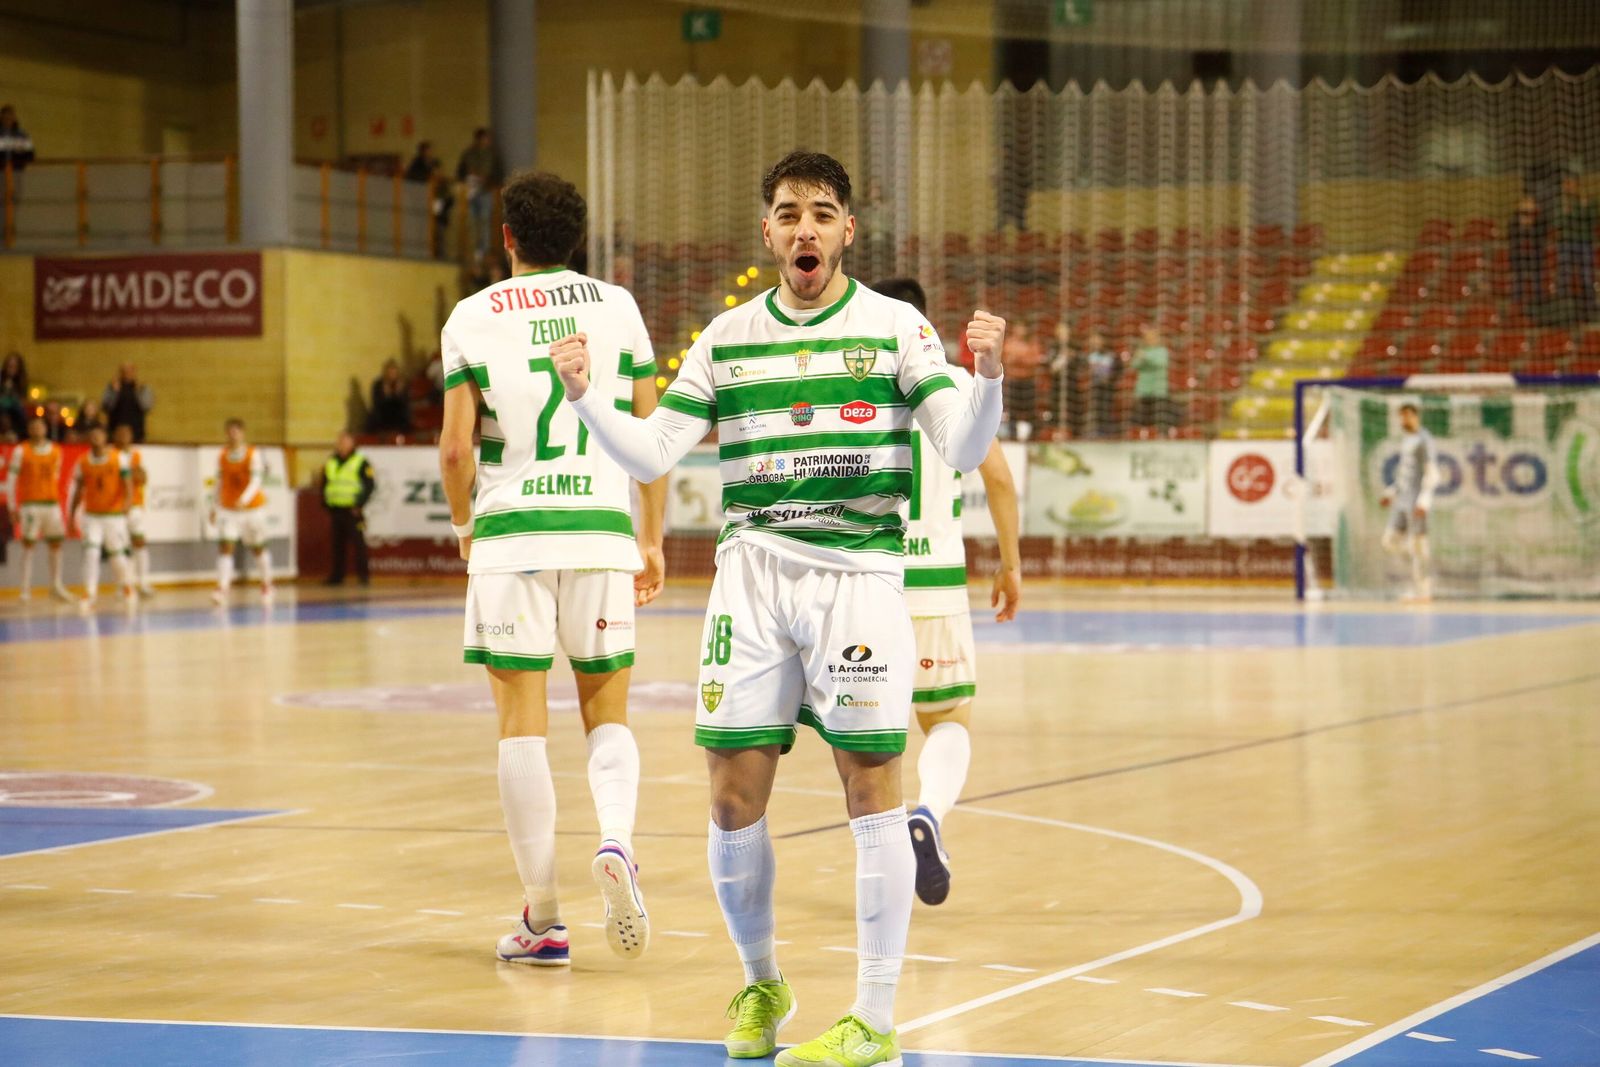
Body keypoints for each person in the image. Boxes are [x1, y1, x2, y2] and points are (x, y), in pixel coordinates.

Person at [553, 150, 1005, 1067]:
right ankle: (761, 981)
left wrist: (987, 377)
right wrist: (584, 396)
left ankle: (873, 1018)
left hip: (859, 582)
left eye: (823, 212)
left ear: (848, 231)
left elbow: (960, 449)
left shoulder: (894, 326)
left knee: (870, 785)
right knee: (729, 795)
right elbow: (649, 455)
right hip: (750, 578)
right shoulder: (724, 338)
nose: (806, 228)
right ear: (767, 231)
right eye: (790, 212)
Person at [437, 170, 668, 970]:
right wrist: (652, 537)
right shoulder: (620, 308)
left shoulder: (471, 316)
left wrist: (466, 527)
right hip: (602, 532)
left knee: (519, 724)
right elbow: (650, 431)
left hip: (512, 537)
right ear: (579, 238)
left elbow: (457, 448)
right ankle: (617, 837)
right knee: (607, 711)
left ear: (506, 236)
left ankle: (543, 916)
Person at [868, 277, 1023, 906]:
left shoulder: (856, 385)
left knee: (868, 743)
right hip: (934, 585)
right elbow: (1002, 485)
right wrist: (1010, 565)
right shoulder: (958, 384)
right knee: (949, 723)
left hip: (866, 582)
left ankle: (879, 871)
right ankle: (927, 813)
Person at [67, 421, 136, 609]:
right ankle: (89, 592)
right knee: (91, 552)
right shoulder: (83, 461)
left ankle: (126, 585)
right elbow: (78, 490)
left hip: (113, 515)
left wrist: (127, 503)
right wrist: (72, 515)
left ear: (106, 438)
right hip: (92, 515)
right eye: (93, 435)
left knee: (117, 556)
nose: (96, 438)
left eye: (100, 434)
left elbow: (128, 485)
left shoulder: (118, 458)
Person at [7, 414, 70, 601]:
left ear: (45, 429)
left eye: (40, 426)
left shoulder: (56, 450)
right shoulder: (21, 451)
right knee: (28, 546)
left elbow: (56, 476)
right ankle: (25, 589)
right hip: (30, 504)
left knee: (56, 545)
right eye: (33, 427)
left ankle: (56, 585)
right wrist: (13, 507)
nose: (37, 430)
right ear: (29, 430)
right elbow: (12, 481)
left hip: (51, 504)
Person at [1380, 401, 1439, 602]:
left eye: (1407, 416)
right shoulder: (1406, 440)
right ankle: (1418, 572)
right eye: (1401, 416)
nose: (1403, 420)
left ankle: (1423, 589)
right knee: (1389, 541)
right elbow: (1404, 473)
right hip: (1401, 501)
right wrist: (1391, 492)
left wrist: (1424, 500)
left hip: (1416, 501)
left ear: (1415, 417)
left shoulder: (1425, 440)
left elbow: (1432, 472)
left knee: (1419, 544)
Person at [211, 417, 273, 604]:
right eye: (229, 431)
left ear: (242, 433)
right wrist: (214, 506)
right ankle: (222, 588)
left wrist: (244, 499)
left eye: (236, 431)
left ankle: (267, 584)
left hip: (252, 509)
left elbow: (256, 481)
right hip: (228, 509)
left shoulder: (252, 454)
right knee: (225, 547)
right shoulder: (222, 455)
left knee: (258, 548)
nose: (233, 435)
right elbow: (219, 483)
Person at [318, 431, 374, 586]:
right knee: (337, 545)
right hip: (336, 509)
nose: (341, 445)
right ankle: (337, 576)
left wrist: (359, 504)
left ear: (352, 443)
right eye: (339, 442)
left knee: (359, 543)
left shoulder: (361, 461)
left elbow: (369, 485)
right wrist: (325, 503)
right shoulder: (331, 462)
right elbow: (325, 483)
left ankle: (364, 577)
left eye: (344, 442)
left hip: (353, 510)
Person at [112, 423, 155, 597]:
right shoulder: (111, 455)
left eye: (126, 433)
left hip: (135, 505)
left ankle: (143, 582)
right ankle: (123, 583)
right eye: (120, 433)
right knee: (120, 547)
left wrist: (133, 472)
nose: (123, 437)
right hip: (116, 508)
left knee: (139, 542)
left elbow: (142, 478)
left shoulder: (136, 455)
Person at [456, 127, 505, 261]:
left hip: (485, 190)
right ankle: (472, 250)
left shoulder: (492, 155)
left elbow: (498, 173)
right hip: (471, 190)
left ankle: (484, 251)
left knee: (484, 221)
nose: (486, 141)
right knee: (471, 222)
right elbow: (461, 171)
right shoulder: (469, 153)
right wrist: (469, 177)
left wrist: (488, 181)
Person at [1555, 172, 1598, 322]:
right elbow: (1558, 223)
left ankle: (1590, 308)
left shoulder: (1588, 201)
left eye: (1570, 183)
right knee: (1564, 276)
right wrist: (1576, 213)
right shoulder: (1560, 203)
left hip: (1584, 242)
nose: (1567, 186)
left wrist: (1575, 212)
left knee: (1586, 276)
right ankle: (1564, 309)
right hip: (1565, 243)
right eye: (1565, 183)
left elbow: (1592, 218)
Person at [405, 140, 453, 257]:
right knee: (424, 229)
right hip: (423, 203)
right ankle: (424, 252)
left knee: (439, 230)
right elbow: (412, 181)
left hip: (438, 205)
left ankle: (439, 253)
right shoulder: (416, 166)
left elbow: (448, 197)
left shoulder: (436, 166)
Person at [1507, 196, 1549, 316]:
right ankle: (1516, 308)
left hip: (1536, 258)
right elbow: (1511, 235)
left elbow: (1543, 234)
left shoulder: (1540, 219)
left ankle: (1539, 306)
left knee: (1537, 282)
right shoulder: (1514, 220)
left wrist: (1531, 225)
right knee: (1518, 282)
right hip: (1519, 259)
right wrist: (1522, 225)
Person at [1001, 319, 1041, 440]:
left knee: (1030, 409)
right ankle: (1012, 435)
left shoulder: (1033, 343)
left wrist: (1020, 359)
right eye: (1018, 327)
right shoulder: (1009, 342)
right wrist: (1017, 359)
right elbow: (1005, 360)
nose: (1021, 331)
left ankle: (1033, 436)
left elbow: (1035, 360)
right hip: (1013, 381)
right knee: (1012, 410)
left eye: (1023, 328)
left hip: (1028, 380)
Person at [1044, 320, 1084, 437]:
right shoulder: (1053, 347)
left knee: (1075, 410)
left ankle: (1076, 435)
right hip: (1057, 385)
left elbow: (1082, 365)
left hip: (1072, 383)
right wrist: (1063, 358)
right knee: (1056, 410)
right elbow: (1052, 368)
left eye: (1065, 331)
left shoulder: (1076, 346)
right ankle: (1056, 434)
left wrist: (1073, 356)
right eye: (1060, 331)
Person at [1131, 324, 1170, 432]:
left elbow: (1161, 363)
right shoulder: (1142, 351)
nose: (1150, 339)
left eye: (1153, 337)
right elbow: (1134, 365)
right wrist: (1142, 358)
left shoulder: (1162, 351)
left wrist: (1145, 358)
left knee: (1160, 420)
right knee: (1144, 420)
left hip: (1159, 391)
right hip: (1143, 391)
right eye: (1148, 337)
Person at [102, 364, 155, 443]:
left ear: (134, 372)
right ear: (120, 373)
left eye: (129, 371)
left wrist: (138, 392)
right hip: (115, 431)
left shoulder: (142, 387)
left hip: (137, 432)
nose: (127, 373)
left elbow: (147, 407)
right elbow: (106, 407)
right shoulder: (112, 387)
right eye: (124, 371)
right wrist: (114, 392)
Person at [1085, 330, 1120, 438]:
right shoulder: (1091, 356)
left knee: (1106, 410)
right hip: (1095, 387)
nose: (1094, 342)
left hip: (1108, 388)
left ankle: (1107, 432)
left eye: (1097, 339)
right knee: (1096, 410)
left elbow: (1116, 371)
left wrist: (1110, 377)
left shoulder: (1111, 355)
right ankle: (1097, 432)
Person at [367, 359, 412, 435]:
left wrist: (399, 394)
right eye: (390, 372)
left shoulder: (402, 384)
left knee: (406, 416)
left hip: (398, 415)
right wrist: (386, 396)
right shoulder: (378, 384)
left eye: (394, 372)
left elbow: (405, 403)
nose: (392, 375)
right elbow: (376, 403)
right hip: (383, 414)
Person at [0, 104, 34, 197]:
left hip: (16, 172)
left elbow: (30, 154)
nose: (8, 119)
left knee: (15, 197)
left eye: (10, 116)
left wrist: (20, 159)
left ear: (14, 117)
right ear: (1, 117)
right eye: (5, 117)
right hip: (1, 172)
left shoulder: (22, 135)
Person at [1, 350, 26, 439]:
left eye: (14, 366)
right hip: (2, 409)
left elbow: (21, 401)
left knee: (20, 411)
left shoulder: (21, 382)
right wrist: (5, 389)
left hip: (14, 412)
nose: (11, 368)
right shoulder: (1, 379)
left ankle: (17, 435)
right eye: (9, 366)